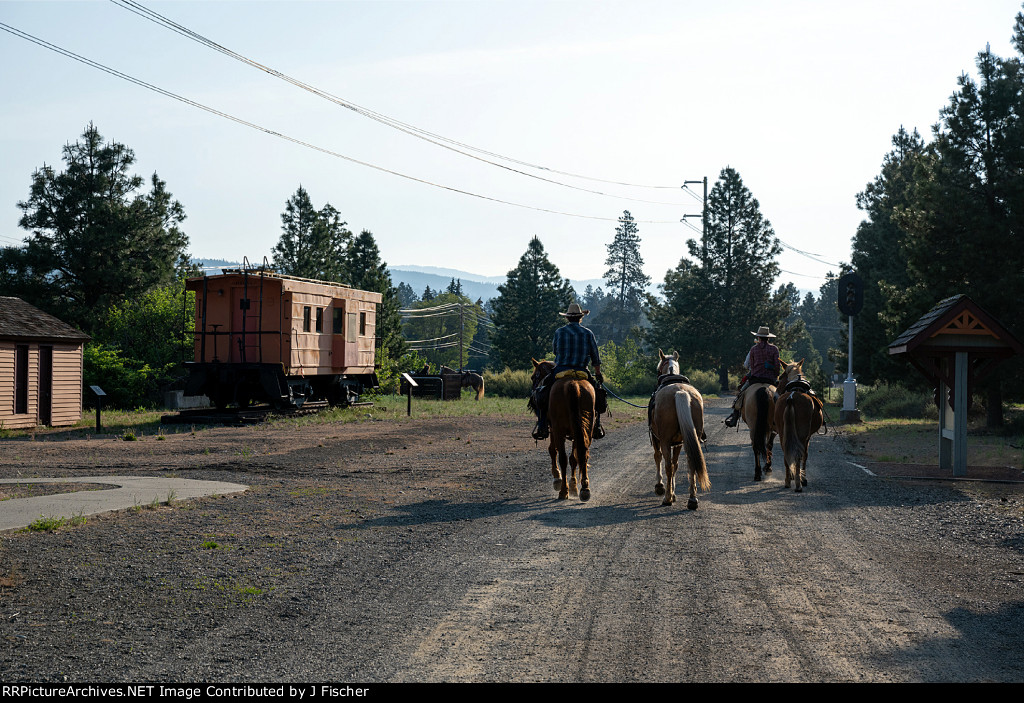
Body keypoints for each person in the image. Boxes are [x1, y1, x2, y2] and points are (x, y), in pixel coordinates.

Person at [531, 302, 605, 441]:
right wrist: (598, 373)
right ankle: (596, 426)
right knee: (598, 395)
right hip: (582, 371)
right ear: (580, 318)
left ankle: (542, 425)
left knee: (541, 393)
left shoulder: (559, 332)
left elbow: (555, 351)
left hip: (560, 370)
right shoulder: (588, 333)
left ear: (567, 318)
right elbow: (595, 357)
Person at [724, 326, 781, 428]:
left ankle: (734, 417)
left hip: (755, 379)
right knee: (782, 397)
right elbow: (777, 367)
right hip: (770, 379)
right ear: (768, 338)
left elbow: (750, 365)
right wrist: (774, 374)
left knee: (740, 394)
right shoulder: (774, 349)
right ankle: (784, 418)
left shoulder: (753, 349)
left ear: (758, 337)